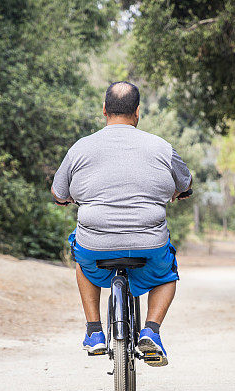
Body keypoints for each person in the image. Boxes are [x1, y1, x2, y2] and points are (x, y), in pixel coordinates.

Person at [51, 81, 192, 367]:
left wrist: (67, 200)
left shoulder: (81, 147)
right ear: (137, 112)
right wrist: (178, 192)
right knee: (167, 275)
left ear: (104, 110)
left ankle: (94, 333)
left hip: (95, 244)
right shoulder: (161, 147)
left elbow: (58, 192)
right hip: (149, 244)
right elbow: (185, 182)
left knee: (82, 262)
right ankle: (151, 330)